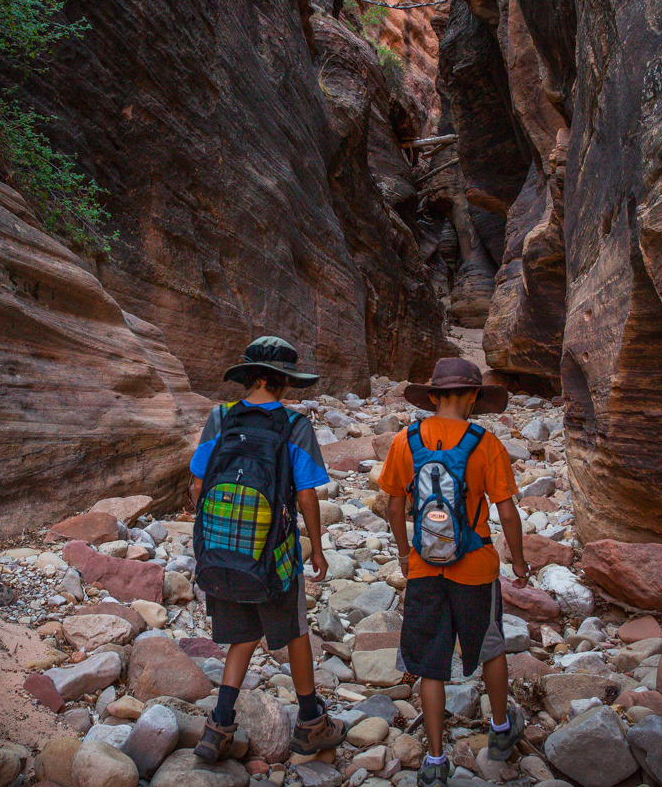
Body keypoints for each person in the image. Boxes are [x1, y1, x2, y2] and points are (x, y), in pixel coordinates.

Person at [188, 336, 345, 762]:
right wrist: (316, 549)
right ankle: (312, 722)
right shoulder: (295, 427)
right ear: (285, 384)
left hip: (222, 552)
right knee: (294, 632)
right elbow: (308, 496)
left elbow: (199, 485)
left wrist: (213, 536)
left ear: (249, 377)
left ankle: (217, 727)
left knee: (242, 636)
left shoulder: (219, 418)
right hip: (275, 555)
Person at [378, 358, 528, 787]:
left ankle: (436, 760)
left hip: (425, 565)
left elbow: (393, 505)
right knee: (490, 648)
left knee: (430, 662)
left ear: (432, 396)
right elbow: (507, 512)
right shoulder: (486, 443)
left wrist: (406, 554)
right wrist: (518, 562)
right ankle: (501, 732)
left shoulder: (405, 441)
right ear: (474, 396)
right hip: (476, 565)